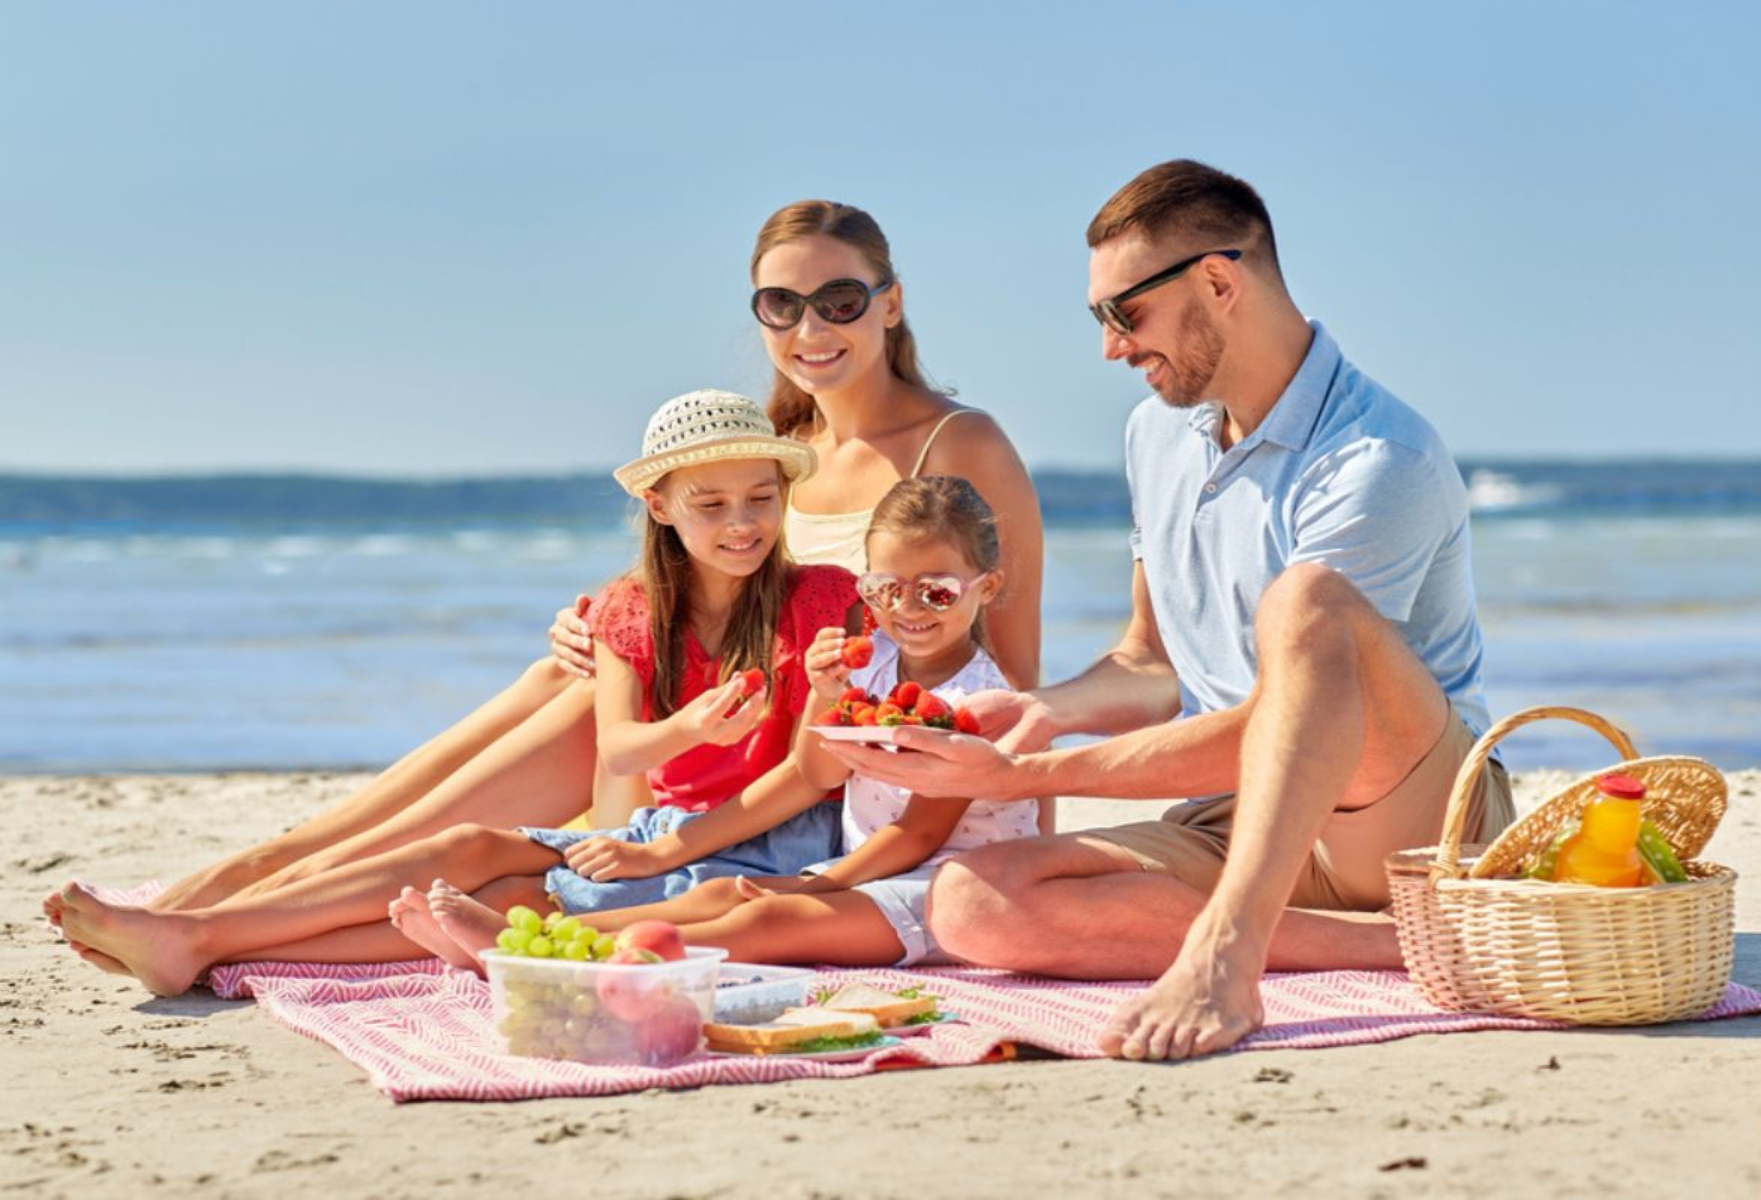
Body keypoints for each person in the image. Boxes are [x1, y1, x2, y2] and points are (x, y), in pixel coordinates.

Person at [94, 199, 1043, 921]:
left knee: (531, 758)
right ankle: (268, 868)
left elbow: (1008, 675)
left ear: (891, 302)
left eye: (839, 299)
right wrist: (601, 620)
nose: (811, 327)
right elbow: (705, 566)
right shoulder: (782, 437)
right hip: (729, 712)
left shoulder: (958, 445)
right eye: (780, 303)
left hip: (793, 746)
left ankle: (264, 889)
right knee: (567, 661)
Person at [825, 159, 1515, 1061]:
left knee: (1304, 604)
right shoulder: (1156, 434)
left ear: (1219, 282)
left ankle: (1229, 950)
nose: (1111, 346)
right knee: (967, 900)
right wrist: (1036, 719)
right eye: (1099, 318)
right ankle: (1385, 945)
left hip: (1403, 819)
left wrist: (1024, 781)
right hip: (1237, 817)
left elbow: (1302, 723)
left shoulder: (1377, 460)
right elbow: (1152, 663)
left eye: (1125, 313)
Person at [47, 390, 863, 995]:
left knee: (509, 895)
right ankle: (197, 934)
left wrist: (667, 846)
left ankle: (208, 943)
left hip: (761, 841)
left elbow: (810, 778)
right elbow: (617, 749)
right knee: (465, 847)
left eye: (761, 498)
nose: (742, 523)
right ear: (659, 505)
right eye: (711, 504)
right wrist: (684, 731)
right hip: (663, 827)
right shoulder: (628, 608)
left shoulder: (820, 598)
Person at [403, 475, 1037, 969]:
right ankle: (535, 946)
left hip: (949, 890)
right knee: (722, 894)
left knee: (760, 925)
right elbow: (814, 770)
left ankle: (526, 949)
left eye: (937, 592)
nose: (908, 609)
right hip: (868, 868)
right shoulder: (875, 664)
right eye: (884, 589)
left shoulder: (981, 701)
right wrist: (825, 691)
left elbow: (918, 838)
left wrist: (807, 883)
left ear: (987, 587)